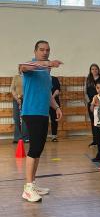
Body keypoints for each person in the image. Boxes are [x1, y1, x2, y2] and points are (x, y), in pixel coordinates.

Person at [19, 40, 63, 202]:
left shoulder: (46, 74)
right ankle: (28, 188)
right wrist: (47, 64)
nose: (45, 52)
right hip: (32, 112)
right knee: (34, 149)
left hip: (43, 113)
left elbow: (47, 94)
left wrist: (56, 107)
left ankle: (32, 183)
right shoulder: (30, 66)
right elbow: (22, 67)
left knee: (38, 150)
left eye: (47, 50)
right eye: (42, 49)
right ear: (35, 51)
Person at [85, 64, 100, 146]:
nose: (94, 70)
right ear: (90, 70)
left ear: (98, 70)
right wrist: (89, 102)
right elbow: (85, 92)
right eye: (92, 69)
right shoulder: (88, 79)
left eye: (96, 69)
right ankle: (95, 140)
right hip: (91, 103)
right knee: (93, 122)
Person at [10, 70, 29, 143]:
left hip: (26, 99)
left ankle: (25, 137)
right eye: (21, 67)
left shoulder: (28, 77)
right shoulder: (16, 77)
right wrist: (17, 98)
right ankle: (17, 137)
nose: (22, 69)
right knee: (16, 118)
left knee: (25, 118)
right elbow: (12, 89)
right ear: (19, 69)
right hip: (16, 99)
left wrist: (24, 96)